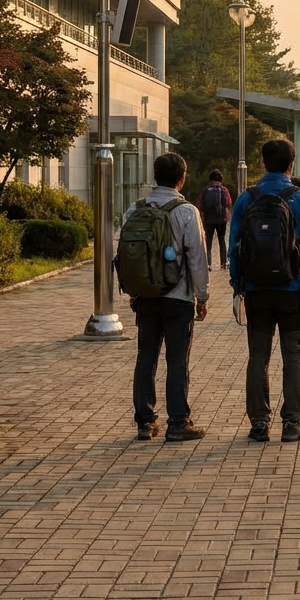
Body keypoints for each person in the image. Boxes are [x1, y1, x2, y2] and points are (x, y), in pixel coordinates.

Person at [229, 138, 300, 444]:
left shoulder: (247, 198)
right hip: (293, 289)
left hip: (256, 290)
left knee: (258, 357)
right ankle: (292, 424)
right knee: (293, 357)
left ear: (263, 162)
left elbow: (234, 247)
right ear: (291, 164)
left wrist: (237, 283)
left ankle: (259, 423)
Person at [122, 152, 210, 443]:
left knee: (145, 357)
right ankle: (177, 422)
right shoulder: (186, 212)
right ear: (182, 178)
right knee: (176, 360)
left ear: (154, 175)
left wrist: (134, 290)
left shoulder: (135, 209)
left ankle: (145, 423)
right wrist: (202, 295)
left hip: (145, 296)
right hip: (179, 297)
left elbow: (127, 256)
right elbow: (197, 257)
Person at [196, 169, 232, 271]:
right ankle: (223, 264)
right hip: (221, 219)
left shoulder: (205, 190)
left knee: (208, 240)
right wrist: (227, 215)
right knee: (221, 240)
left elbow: (199, 204)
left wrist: (202, 216)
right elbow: (228, 203)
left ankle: (208, 264)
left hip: (208, 219)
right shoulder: (224, 190)